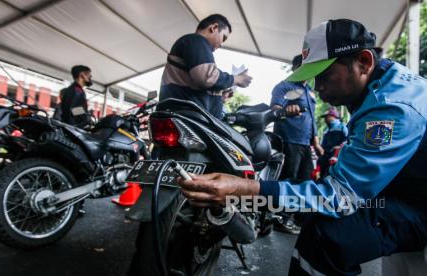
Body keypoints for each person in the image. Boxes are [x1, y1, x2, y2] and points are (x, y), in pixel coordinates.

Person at [178, 19, 427, 275]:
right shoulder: (381, 85)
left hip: (414, 205)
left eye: (325, 75)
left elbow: (340, 197)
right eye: (313, 78)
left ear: (363, 62)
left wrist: (243, 189)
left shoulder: (392, 109)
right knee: (316, 215)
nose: (318, 88)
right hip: (395, 192)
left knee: (326, 237)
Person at [270, 54, 324, 234]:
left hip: (305, 143)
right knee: (288, 178)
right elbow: (275, 108)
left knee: (306, 179)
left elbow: (311, 118)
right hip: (288, 139)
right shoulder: (284, 86)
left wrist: (315, 142)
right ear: (296, 68)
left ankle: (298, 218)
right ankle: (279, 218)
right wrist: (286, 110)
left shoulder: (309, 90)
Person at [159, 14, 252, 119]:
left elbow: (196, 82)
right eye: (224, 37)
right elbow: (207, 77)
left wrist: (220, 95)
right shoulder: (196, 40)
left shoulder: (192, 42)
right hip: (188, 118)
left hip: (184, 115)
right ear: (214, 28)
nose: (221, 44)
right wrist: (237, 79)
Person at [318, 107, 348, 177]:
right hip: (325, 159)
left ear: (333, 116)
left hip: (336, 159)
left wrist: (339, 147)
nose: (325, 119)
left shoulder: (343, 127)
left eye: (326, 117)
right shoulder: (327, 130)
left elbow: (348, 140)